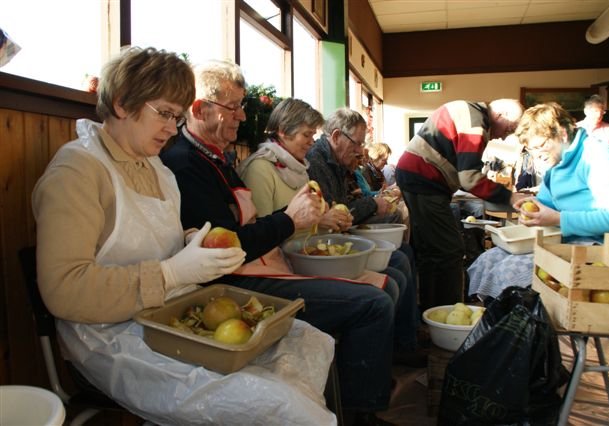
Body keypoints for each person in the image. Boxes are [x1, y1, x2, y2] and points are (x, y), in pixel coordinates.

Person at [32, 47, 335, 425]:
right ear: (123, 104)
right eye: (164, 113)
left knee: (308, 340)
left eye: (177, 116)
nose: (173, 127)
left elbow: (158, 239)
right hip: (109, 339)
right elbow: (64, 290)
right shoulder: (77, 172)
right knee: (280, 403)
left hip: (168, 316)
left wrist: (192, 241)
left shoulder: (157, 169)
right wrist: (173, 273)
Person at [160, 61, 397, 425]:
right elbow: (229, 248)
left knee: (383, 285)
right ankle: (357, 412)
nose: (243, 114)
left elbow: (248, 229)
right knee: (374, 304)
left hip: (257, 265)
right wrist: (291, 219)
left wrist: (298, 216)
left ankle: (357, 394)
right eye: (234, 107)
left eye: (242, 104)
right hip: (230, 284)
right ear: (198, 109)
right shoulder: (184, 163)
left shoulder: (216, 157)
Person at [468, 102, 609, 302]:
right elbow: (546, 204)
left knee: (509, 272)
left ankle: (523, 329)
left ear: (562, 134)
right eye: (531, 150)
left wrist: (557, 218)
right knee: (486, 261)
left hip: (598, 248)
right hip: (565, 241)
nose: (537, 155)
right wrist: (532, 210)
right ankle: (494, 323)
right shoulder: (557, 163)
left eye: (540, 146)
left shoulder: (600, 158)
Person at [305, 107, 421, 360]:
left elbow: (340, 208)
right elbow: (338, 214)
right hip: (324, 247)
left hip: (336, 238)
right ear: (336, 137)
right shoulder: (315, 162)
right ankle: (401, 345)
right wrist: (371, 204)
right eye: (357, 143)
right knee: (399, 260)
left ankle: (404, 340)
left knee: (403, 253)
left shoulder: (332, 162)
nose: (360, 151)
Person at [395, 99, 524, 311]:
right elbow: (470, 178)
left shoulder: (469, 112)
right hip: (424, 180)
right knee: (450, 250)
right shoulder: (475, 123)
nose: (502, 135)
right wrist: (511, 198)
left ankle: (430, 312)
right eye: (508, 129)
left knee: (432, 253)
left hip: (417, 178)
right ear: (502, 114)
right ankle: (448, 312)